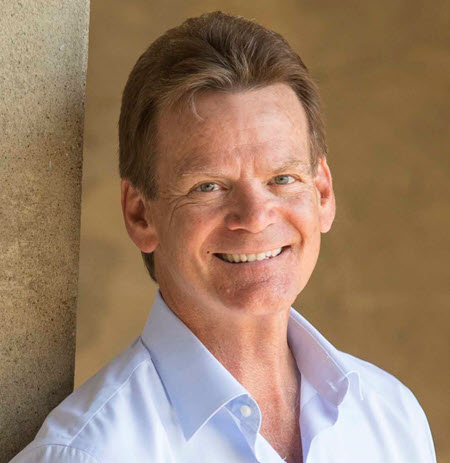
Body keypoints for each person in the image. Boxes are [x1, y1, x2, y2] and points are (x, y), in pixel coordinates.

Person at [10, 10, 436, 463]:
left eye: (282, 178)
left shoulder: (391, 417)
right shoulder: (86, 454)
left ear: (323, 194)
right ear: (140, 214)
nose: (254, 217)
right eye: (208, 186)